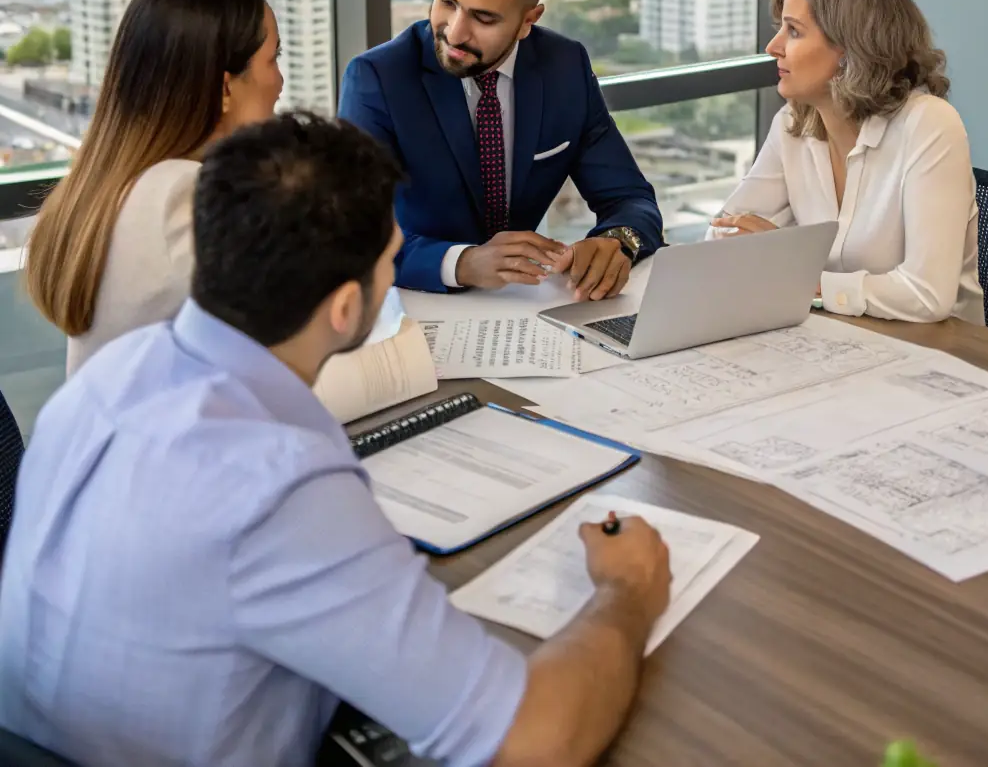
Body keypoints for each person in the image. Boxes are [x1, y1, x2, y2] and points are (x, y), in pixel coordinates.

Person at [0, 113, 671, 767]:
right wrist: (625, 592)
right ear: (349, 307)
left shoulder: (108, 374)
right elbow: (538, 740)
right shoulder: (278, 482)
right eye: (390, 259)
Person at [340, 0, 663, 298]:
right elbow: (352, 238)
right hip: (415, 304)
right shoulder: (377, 78)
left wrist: (617, 241)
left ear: (529, 20)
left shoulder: (565, 67)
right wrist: (462, 262)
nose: (455, 31)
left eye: (484, 18)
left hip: (525, 306)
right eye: (446, 1)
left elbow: (629, 198)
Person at [27, 0, 284, 374]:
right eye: (273, 59)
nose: (281, 80)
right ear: (224, 87)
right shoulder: (182, 196)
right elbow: (281, 359)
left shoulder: (110, 186)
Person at [711, 0, 983, 324]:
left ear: (850, 49)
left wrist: (791, 269)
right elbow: (721, 237)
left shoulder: (929, 124)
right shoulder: (792, 124)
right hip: (836, 338)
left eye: (793, 31)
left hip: (939, 354)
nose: (772, 47)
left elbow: (926, 296)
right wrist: (778, 262)